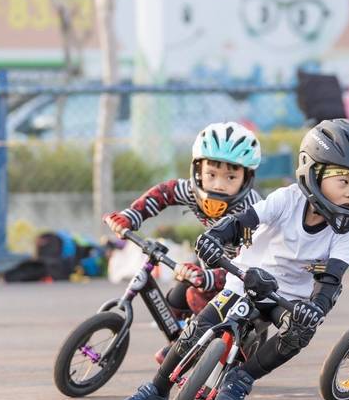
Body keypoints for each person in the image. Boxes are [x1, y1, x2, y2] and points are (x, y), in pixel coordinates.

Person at [113, 118, 349, 400]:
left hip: (287, 300)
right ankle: (156, 390)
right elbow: (243, 221)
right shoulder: (287, 199)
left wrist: (315, 307)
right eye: (343, 181)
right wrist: (215, 238)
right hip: (245, 279)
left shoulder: (348, 232)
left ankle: (242, 379)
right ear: (314, 172)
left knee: (300, 332)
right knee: (197, 330)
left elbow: (332, 278)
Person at [104, 122, 262, 363]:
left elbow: (251, 265)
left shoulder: (252, 212)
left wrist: (212, 278)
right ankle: (182, 341)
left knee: (197, 296)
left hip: (241, 278)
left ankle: (199, 344)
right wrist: (130, 216)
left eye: (230, 176)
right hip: (210, 261)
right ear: (197, 170)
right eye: (211, 174)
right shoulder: (192, 191)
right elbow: (163, 194)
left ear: (246, 178)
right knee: (175, 300)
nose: (218, 184)